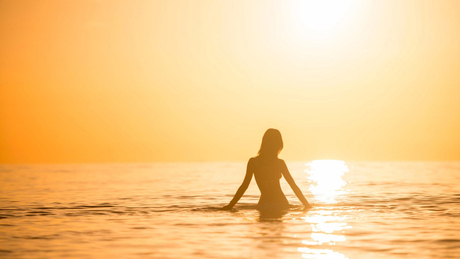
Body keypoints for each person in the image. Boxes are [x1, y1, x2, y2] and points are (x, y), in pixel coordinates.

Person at [222, 128, 312, 211]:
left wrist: (230, 205)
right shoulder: (279, 163)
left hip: (264, 204)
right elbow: (293, 185)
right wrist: (307, 205)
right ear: (278, 145)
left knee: (263, 228)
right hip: (280, 203)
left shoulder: (253, 162)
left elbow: (244, 186)